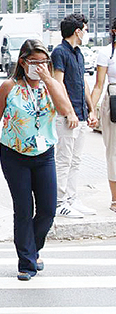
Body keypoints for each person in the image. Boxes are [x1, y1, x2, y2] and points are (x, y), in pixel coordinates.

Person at [0, 39, 73, 281]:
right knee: (23, 208)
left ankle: (32, 249)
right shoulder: (9, 86)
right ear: (22, 62)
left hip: (44, 155)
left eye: (44, 62)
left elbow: (64, 109)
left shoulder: (51, 85)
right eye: (34, 62)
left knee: (48, 210)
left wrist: (48, 79)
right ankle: (27, 263)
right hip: (14, 154)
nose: (39, 66)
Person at [51, 13, 97, 218]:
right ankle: (59, 202)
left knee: (76, 160)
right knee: (64, 159)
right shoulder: (59, 52)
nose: (86, 33)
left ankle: (71, 198)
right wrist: (68, 112)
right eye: (85, 29)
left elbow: (83, 83)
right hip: (67, 117)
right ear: (77, 31)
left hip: (81, 114)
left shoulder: (79, 53)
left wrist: (91, 110)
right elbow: (58, 84)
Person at [89, 18, 116, 214]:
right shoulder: (106, 52)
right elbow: (98, 85)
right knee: (113, 152)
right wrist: (91, 110)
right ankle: (115, 199)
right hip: (113, 103)